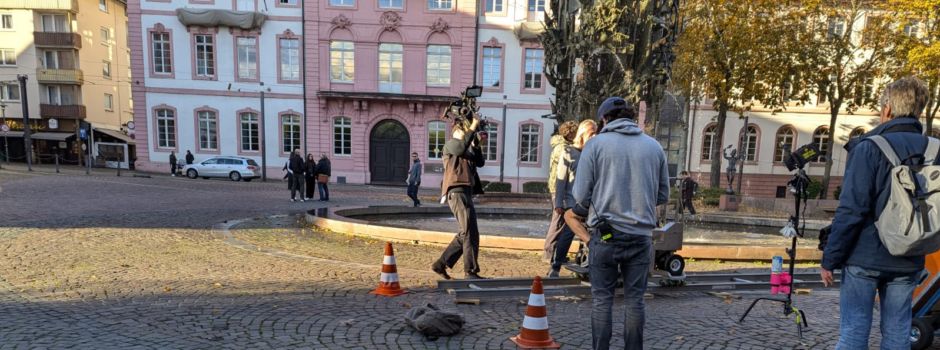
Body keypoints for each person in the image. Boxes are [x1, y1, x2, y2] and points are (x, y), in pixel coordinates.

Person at [822, 77, 935, 349]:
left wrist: (830, 259)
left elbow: (852, 210)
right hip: (910, 255)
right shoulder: (935, 149)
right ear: (919, 109)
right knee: (897, 334)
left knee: (853, 332)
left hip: (864, 256)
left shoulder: (869, 148)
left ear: (887, 109)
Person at [572, 97, 669, 350]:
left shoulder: (595, 146)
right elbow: (663, 195)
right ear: (631, 117)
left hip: (605, 236)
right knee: (635, 301)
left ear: (604, 119)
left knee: (602, 300)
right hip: (640, 237)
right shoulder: (654, 147)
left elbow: (580, 197)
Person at [431, 118, 485, 280]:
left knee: (469, 232)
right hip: (456, 191)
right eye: (466, 130)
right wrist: (473, 127)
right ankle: (470, 271)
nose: (469, 132)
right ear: (457, 131)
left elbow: (480, 162)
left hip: (466, 192)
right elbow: (461, 147)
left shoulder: (466, 149)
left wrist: (477, 146)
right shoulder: (451, 144)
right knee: (468, 231)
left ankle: (440, 264)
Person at [545, 120, 597, 277]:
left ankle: (590, 263)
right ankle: (556, 266)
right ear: (582, 134)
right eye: (592, 133)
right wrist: (559, 202)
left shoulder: (593, 152)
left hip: (590, 203)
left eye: (596, 132)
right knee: (567, 235)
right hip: (572, 203)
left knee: (594, 233)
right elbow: (560, 180)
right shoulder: (568, 152)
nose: (595, 136)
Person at [544, 121, 579, 261]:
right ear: (570, 133)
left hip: (558, 188)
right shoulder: (563, 148)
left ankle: (556, 253)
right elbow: (562, 173)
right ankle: (550, 254)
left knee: (560, 222)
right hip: (560, 189)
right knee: (558, 222)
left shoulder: (561, 146)